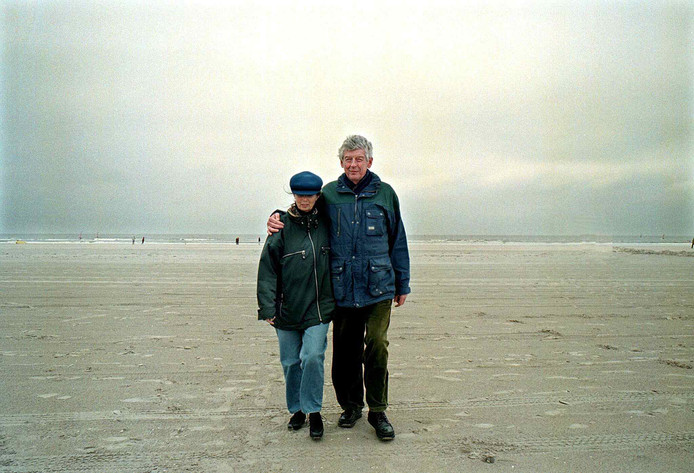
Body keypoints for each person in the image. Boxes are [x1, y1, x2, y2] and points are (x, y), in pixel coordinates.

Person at [268, 135, 410, 441]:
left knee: (376, 344)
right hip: (341, 288)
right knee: (344, 353)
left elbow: (397, 238)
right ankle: (350, 405)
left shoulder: (385, 194)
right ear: (341, 162)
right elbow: (302, 210)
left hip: (379, 288)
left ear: (370, 161)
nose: (353, 164)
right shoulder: (330, 193)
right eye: (348, 159)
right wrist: (277, 216)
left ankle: (377, 410)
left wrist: (403, 282)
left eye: (359, 159)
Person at [257, 171, 334, 440]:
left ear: (317, 195)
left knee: (312, 356)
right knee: (291, 362)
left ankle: (314, 412)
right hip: (286, 309)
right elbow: (267, 269)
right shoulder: (281, 227)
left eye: (309, 194)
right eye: (299, 194)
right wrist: (267, 308)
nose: (304, 199)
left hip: (319, 308)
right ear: (293, 195)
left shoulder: (328, 221)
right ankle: (297, 410)